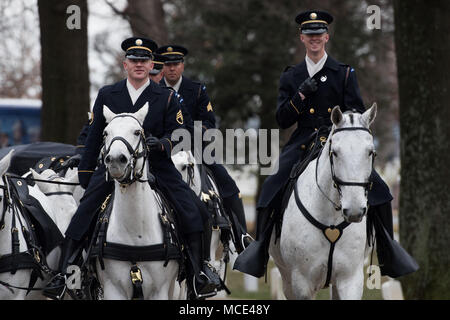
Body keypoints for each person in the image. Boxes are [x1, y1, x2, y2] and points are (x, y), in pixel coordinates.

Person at [233, 10, 418, 279]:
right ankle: (260, 251)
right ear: (302, 39)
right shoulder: (291, 76)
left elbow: (355, 110)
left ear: (327, 37)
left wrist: (343, 126)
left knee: (381, 191)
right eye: (309, 35)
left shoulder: (343, 73)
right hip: (303, 141)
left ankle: (388, 251)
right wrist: (300, 95)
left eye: (319, 34)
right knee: (271, 187)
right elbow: (283, 119)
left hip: (338, 139)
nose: (315, 39)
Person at [43, 37, 221, 300]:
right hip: (113, 170)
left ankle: (199, 273)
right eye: (134, 60)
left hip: (158, 168)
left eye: (144, 60)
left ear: (151, 65)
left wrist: (162, 144)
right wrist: (86, 174)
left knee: (195, 211)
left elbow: (179, 132)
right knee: (83, 214)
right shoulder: (107, 94)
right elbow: (94, 137)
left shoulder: (167, 96)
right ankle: (66, 274)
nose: (139, 65)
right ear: (125, 64)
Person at [156, 44, 253, 253]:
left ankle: (241, 235)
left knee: (227, 183)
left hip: (195, 148)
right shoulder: (154, 90)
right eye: (167, 64)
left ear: (182, 66)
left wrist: (189, 132)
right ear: (162, 67)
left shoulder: (196, 90)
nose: (172, 68)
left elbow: (210, 125)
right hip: (163, 150)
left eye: (176, 64)